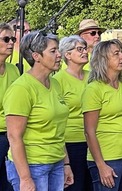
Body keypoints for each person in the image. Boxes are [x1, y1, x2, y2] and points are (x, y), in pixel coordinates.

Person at [4, 31, 73, 190]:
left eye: (58, 50)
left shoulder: (55, 84)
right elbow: (14, 136)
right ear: (36, 56)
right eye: (53, 51)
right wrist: (25, 178)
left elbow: (58, 129)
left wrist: (66, 163)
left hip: (55, 162)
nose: (59, 55)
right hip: (32, 165)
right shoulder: (21, 89)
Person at [83, 39, 122, 191]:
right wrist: (101, 165)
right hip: (108, 156)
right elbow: (89, 131)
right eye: (116, 54)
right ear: (103, 59)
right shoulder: (94, 89)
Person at [53, 35, 91, 191]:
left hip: (94, 141)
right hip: (71, 143)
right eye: (79, 49)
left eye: (85, 48)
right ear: (67, 55)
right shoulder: (58, 80)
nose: (85, 52)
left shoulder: (93, 77)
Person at [0, 23, 20, 191]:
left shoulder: (13, 70)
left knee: (9, 183)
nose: (11, 43)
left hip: (12, 135)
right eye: (6, 39)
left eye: (12, 39)